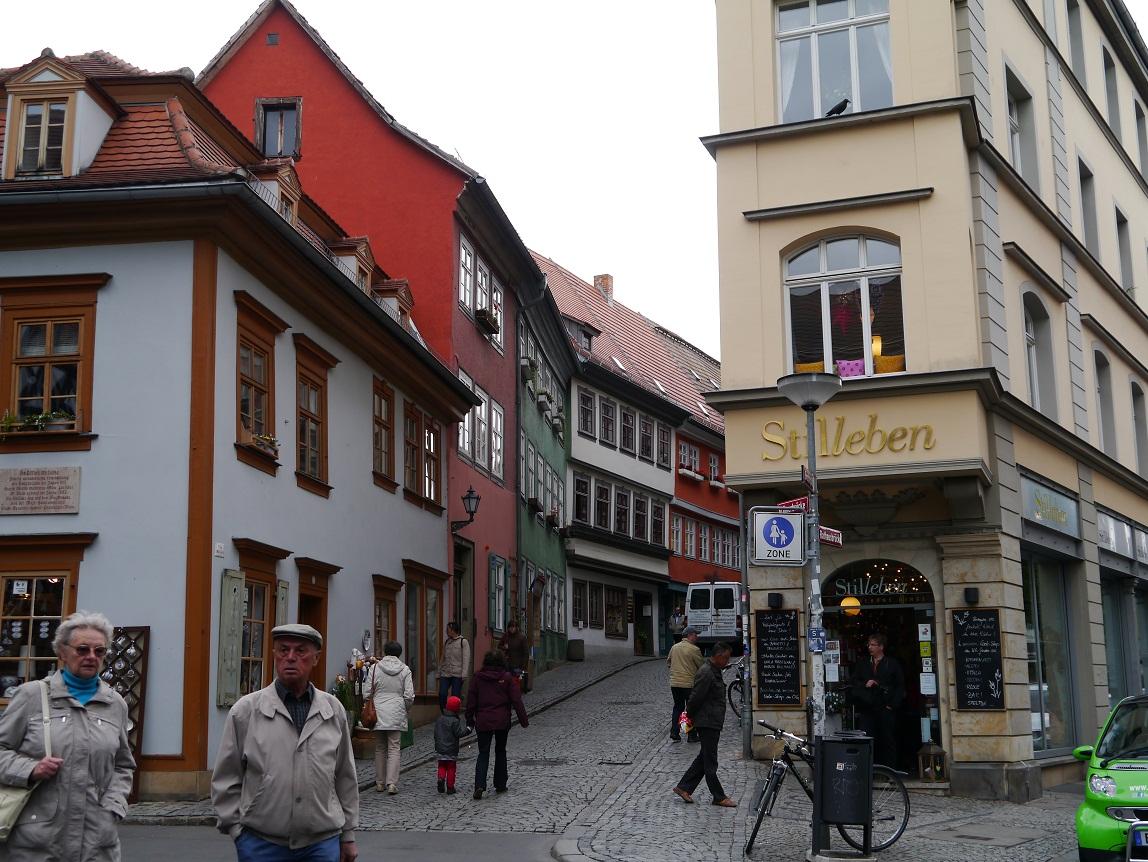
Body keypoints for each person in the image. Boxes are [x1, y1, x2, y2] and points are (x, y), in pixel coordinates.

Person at [212, 623, 359, 862]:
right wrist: (237, 831)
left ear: (316, 658)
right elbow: (226, 776)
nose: (290, 657)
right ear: (274, 654)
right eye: (283, 650)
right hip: (261, 843)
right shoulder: (246, 711)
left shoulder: (332, 710)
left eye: (300, 651)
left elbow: (345, 775)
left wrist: (348, 835)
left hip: (321, 844)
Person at [0, 610, 135, 862]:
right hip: (35, 843)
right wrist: (30, 769)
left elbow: (123, 765)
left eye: (99, 651)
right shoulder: (31, 696)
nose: (91, 656)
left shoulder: (114, 703)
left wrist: (113, 807)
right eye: (82, 649)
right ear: (62, 652)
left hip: (96, 843)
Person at [672, 641, 736, 808]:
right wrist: (689, 716)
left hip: (712, 720)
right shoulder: (706, 672)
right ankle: (718, 796)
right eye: (726, 658)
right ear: (718, 656)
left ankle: (684, 787)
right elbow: (695, 698)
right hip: (707, 721)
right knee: (710, 761)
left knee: (704, 757)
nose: (728, 661)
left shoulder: (714, 670)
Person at [466, 650, 528, 800]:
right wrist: (523, 720)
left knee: (483, 752)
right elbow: (516, 700)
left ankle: (480, 785)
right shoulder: (506, 678)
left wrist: (469, 720)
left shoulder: (478, 678)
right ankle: (500, 783)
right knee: (500, 750)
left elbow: (471, 700)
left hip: (483, 720)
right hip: (501, 720)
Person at [366, 641, 415, 795]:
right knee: (394, 747)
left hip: (378, 711)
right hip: (396, 711)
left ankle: (380, 783)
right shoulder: (405, 670)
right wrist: (404, 708)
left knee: (380, 747)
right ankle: (392, 783)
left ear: (385, 652)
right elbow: (409, 696)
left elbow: (367, 693)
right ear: (399, 653)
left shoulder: (375, 668)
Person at [850, 632, 905, 768]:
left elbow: (900, 686)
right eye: (869, 644)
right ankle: (867, 771)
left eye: (873, 645)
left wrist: (892, 705)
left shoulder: (892, 664)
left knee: (887, 740)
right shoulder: (863, 663)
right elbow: (854, 681)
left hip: (885, 707)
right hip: (867, 708)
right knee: (866, 740)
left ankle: (890, 771)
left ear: (881, 647)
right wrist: (865, 684)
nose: (870, 647)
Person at [667, 626, 704, 743]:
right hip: (688, 684)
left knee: (678, 707)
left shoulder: (674, 647)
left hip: (675, 684)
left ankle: (674, 732)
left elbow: (669, 662)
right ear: (690, 635)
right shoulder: (694, 649)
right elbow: (702, 667)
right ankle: (691, 735)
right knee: (691, 709)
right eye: (695, 635)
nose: (697, 637)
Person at [433, 695, 469, 795]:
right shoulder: (455, 721)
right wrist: (468, 730)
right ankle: (450, 787)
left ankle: (441, 778)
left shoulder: (440, 719)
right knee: (451, 768)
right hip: (451, 749)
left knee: (441, 765)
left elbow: (436, 733)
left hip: (440, 748)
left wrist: (437, 744)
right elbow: (459, 733)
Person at [438, 622, 471, 713]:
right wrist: (439, 671)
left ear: (453, 630)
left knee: (455, 696)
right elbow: (443, 657)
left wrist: (464, 674)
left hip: (457, 673)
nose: (446, 631)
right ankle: (444, 712)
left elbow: (466, 658)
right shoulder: (447, 642)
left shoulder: (463, 642)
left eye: (448, 629)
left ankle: (454, 714)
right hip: (446, 672)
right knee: (442, 693)